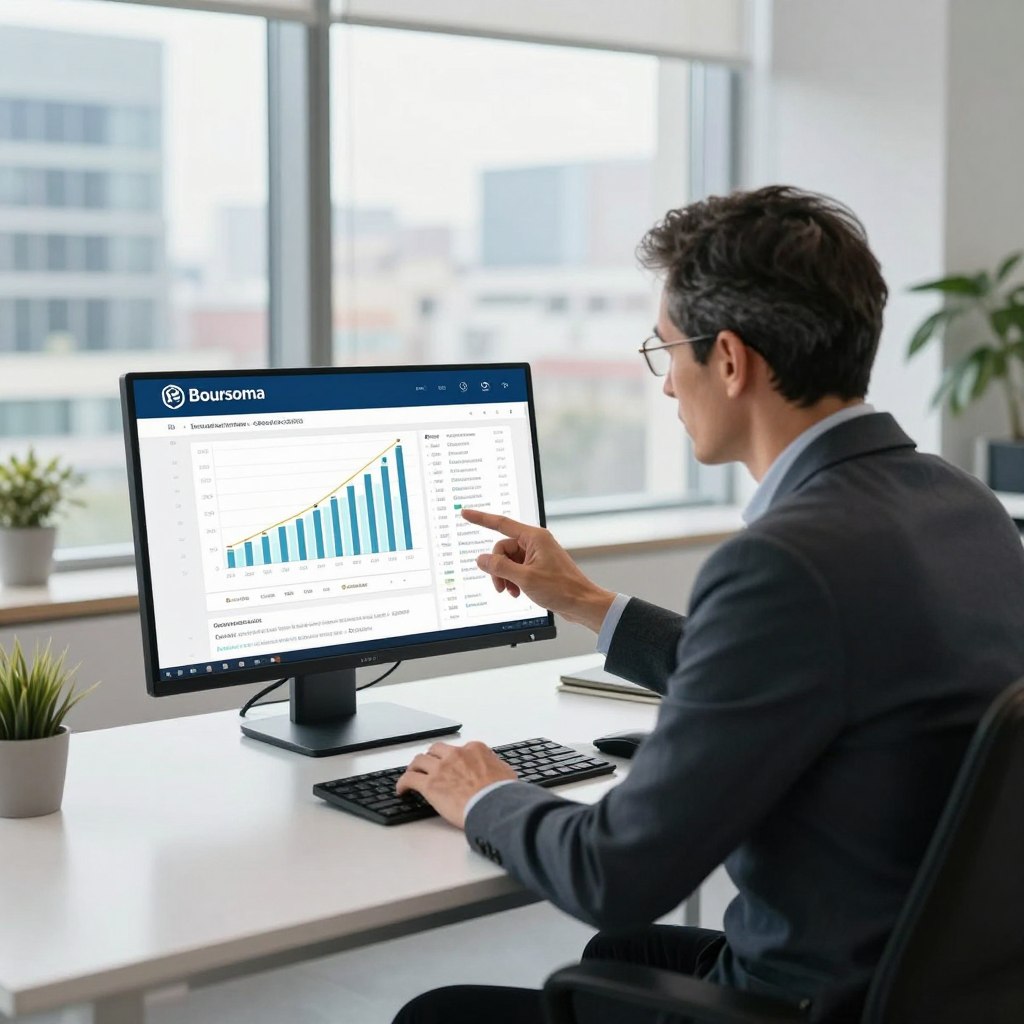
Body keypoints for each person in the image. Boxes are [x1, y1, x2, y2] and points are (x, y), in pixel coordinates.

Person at [392, 186, 1024, 1023]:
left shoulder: (786, 560)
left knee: (439, 1014)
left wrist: (486, 796)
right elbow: (811, 665)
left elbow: (615, 875)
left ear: (729, 360)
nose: (664, 387)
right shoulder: (960, 504)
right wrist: (587, 602)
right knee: (623, 962)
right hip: (928, 982)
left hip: (817, 1002)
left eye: (666, 353)